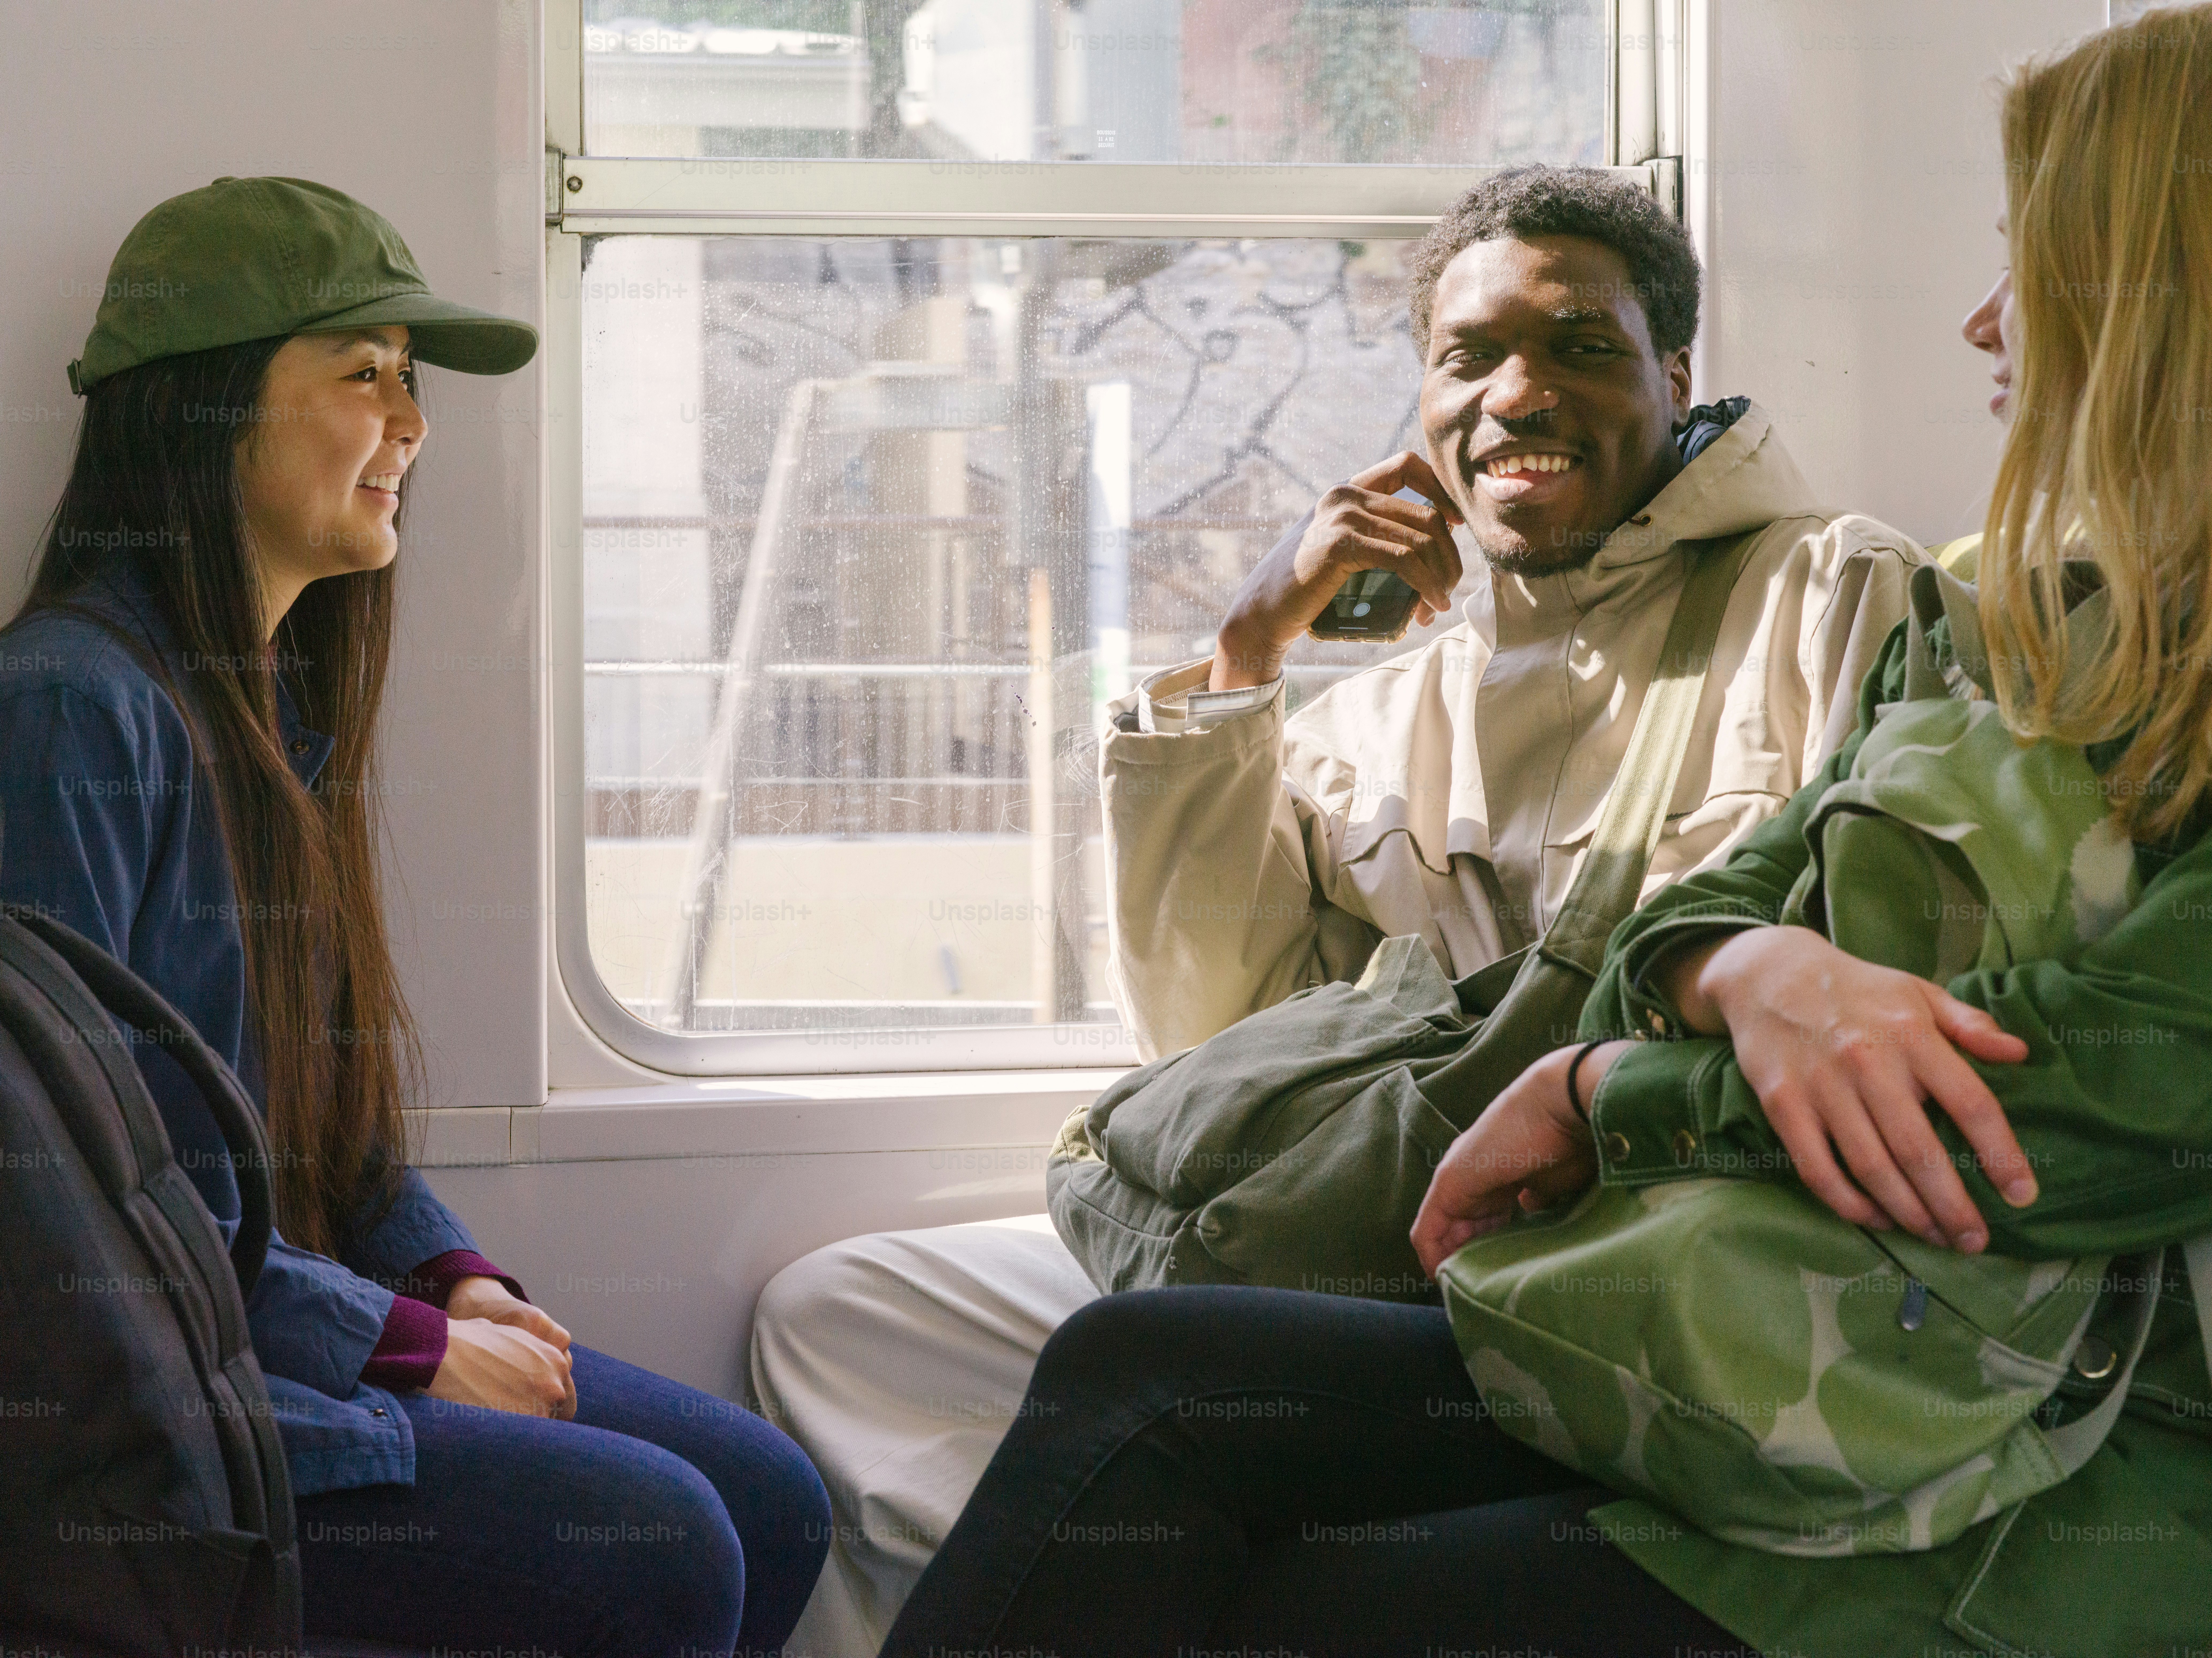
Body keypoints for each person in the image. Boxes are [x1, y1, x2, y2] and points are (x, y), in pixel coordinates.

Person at [878, 9, 2212, 1656]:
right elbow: (1709, 908)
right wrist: (1740, 962)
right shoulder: (2011, 619)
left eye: (2035, 267)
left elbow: (2092, 1099)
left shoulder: (1838, 590)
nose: (1985, 319)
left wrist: (1606, 1092)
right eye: (1471, 356)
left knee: (1276, 1588)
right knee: (1127, 1377)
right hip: (1752, 1280)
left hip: (2012, 1412)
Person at [752, 164, 1930, 1653]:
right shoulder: (1387, 712)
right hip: (1380, 1231)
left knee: (1147, 1384)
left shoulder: (1827, 592)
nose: (1518, 394)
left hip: (1623, 1263)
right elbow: (1212, 1027)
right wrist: (1250, 646)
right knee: (841, 1317)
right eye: (1469, 356)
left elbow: (1885, 986)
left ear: (1675, 377)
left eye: (1580, 346)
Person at [0, 176, 829, 1657]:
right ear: (205, 408)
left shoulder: (268, 713)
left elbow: (324, 1129)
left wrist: (453, 1278)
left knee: (774, 1497)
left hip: (280, 1335)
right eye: (364, 372)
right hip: (167, 1411)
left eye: (411, 377)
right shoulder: (72, 709)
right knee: (669, 1545)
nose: (413, 421)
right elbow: (73, 1218)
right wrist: (403, 1345)